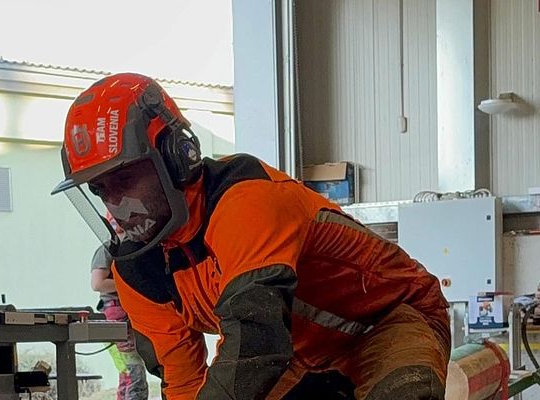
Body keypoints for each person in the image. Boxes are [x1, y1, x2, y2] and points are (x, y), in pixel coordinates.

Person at [52, 73, 451, 400]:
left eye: (124, 179)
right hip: (300, 354)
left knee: (402, 393)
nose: (116, 204)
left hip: (387, 320)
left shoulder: (245, 200)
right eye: (101, 190)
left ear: (175, 155)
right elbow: (184, 382)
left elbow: (255, 342)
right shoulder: (139, 271)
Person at [90, 213, 149, 400]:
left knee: (128, 373)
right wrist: (130, 284)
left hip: (129, 312)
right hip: (117, 314)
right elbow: (97, 283)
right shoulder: (108, 248)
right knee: (133, 371)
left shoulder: (135, 247)